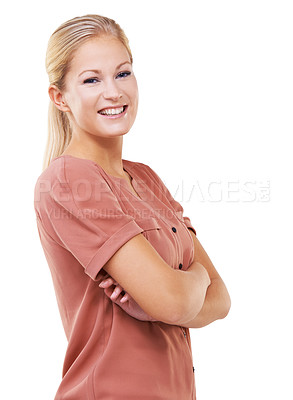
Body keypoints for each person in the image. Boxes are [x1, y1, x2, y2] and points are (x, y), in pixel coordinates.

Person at [33, 14, 231, 400]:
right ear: (60, 98)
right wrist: (191, 283)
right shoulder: (71, 181)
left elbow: (221, 299)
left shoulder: (146, 178)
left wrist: (172, 296)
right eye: (92, 80)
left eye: (122, 73)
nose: (114, 92)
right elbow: (175, 302)